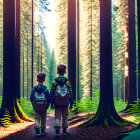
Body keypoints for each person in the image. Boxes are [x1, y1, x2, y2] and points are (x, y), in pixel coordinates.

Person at [50, 64, 73, 138]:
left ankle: (57, 132)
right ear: (65, 72)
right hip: (66, 103)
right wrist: (71, 103)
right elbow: (70, 93)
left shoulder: (55, 82)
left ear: (57, 72)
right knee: (65, 117)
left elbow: (52, 93)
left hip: (57, 103)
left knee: (57, 117)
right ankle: (65, 131)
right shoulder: (67, 82)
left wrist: (52, 103)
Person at [30, 72, 50, 137]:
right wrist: (47, 106)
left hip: (36, 106)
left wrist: (33, 105)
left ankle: (37, 132)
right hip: (44, 106)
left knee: (37, 118)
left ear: (37, 80)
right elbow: (48, 98)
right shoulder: (45, 88)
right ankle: (43, 131)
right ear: (44, 80)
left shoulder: (35, 88)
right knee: (43, 118)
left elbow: (31, 97)